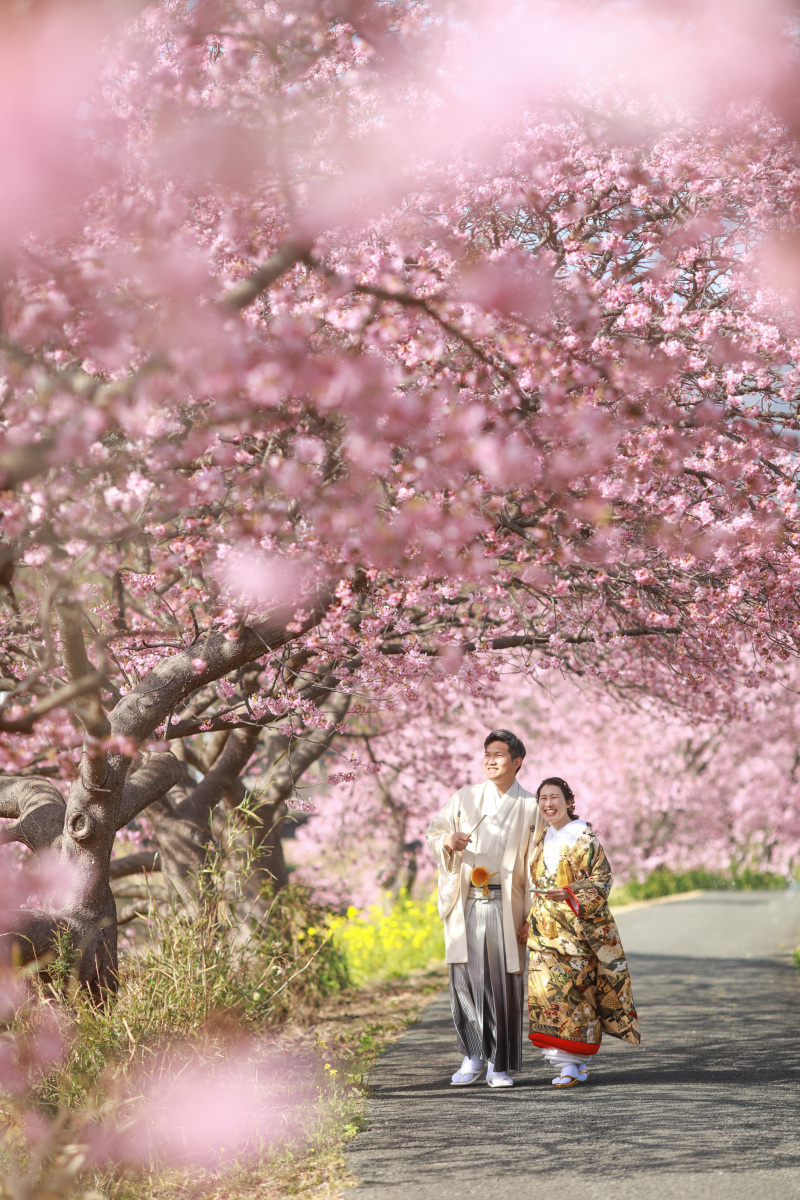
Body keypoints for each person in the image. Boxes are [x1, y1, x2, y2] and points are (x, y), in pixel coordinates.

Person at [426, 729, 543, 1088]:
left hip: (508, 906)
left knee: (503, 983)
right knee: (465, 977)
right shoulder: (465, 797)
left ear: (517, 762)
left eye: (499, 755)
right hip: (468, 901)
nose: (491, 761)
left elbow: (538, 865)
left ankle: (499, 1063)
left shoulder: (530, 806)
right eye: (487, 754)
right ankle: (473, 1055)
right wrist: (448, 841)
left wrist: (533, 915)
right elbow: (434, 833)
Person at [521, 777, 641, 1088]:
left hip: (576, 932)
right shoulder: (541, 838)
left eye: (555, 797)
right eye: (543, 798)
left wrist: (571, 894)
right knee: (546, 998)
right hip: (543, 932)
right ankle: (571, 1065)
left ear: (569, 802)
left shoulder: (586, 840)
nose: (548, 804)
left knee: (575, 998)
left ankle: (571, 1066)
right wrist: (530, 920)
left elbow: (602, 881)